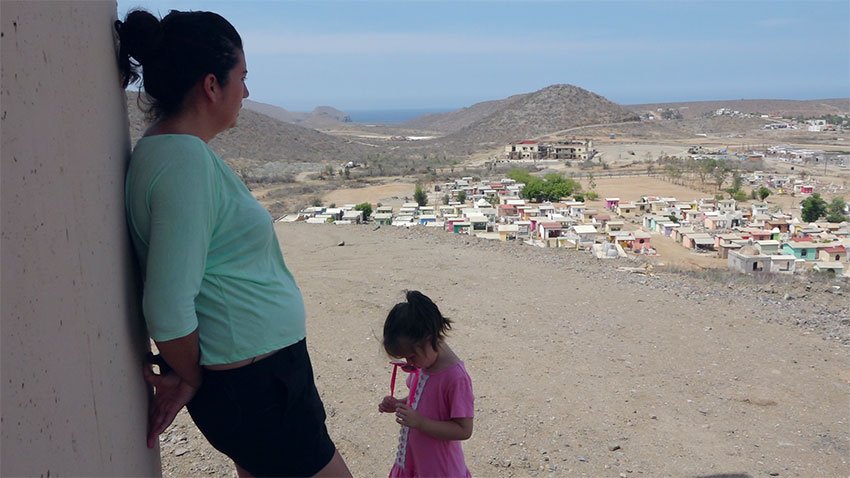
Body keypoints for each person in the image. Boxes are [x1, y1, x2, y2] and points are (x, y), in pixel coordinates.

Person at [115, 9, 351, 477]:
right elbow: (165, 306)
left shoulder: (173, 151)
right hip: (257, 388)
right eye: (241, 77)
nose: (245, 92)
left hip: (259, 382)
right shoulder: (182, 161)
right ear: (210, 85)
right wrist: (194, 377)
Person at [378, 291, 475, 478]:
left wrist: (420, 422)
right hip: (416, 462)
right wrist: (400, 403)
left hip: (439, 469)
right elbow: (422, 398)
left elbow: (464, 429)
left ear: (428, 339)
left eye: (411, 356)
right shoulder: (425, 362)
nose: (409, 361)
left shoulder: (455, 378)